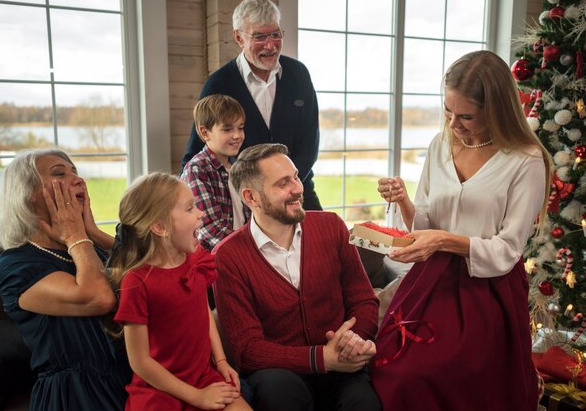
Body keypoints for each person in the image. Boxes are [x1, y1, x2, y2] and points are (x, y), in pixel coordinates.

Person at [370, 50, 553, 411]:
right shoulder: (440, 146)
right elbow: (424, 223)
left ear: (496, 109)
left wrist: (443, 240)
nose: (453, 124)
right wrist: (404, 199)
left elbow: (508, 248)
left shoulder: (526, 160)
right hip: (429, 283)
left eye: (466, 116)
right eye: (448, 111)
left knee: (454, 384)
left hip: (487, 292)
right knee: (393, 372)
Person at [213, 143, 382, 411]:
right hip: (279, 373)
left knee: (364, 403)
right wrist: (321, 359)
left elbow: (364, 300)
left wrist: (353, 343)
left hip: (342, 366)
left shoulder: (332, 227)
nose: (298, 188)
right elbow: (247, 349)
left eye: (295, 177)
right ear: (251, 197)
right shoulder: (228, 256)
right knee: (281, 394)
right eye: (283, 183)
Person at [0, 149, 131, 411]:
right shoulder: (15, 263)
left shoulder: (90, 248)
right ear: (29, 194)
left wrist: (94, 233)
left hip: (133, 380)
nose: (78, 180)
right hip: (78, 394)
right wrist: (76, 236)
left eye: (76, 172)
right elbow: (99, 297)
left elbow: (154, 276)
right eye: (60, 173)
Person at [108, 172, 252, 411]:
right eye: (189, 209)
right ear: (160, 226)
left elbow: (202, 312)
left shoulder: (195, 260)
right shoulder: (137, 282)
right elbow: (140, 362)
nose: (200, 213)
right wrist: (196, 397)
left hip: (204, 376)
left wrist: (222, 361)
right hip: (160, 390)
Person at [181, 0, 322, 211]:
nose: (270, 45)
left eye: (275, 34)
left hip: (298, 187)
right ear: (239, 38)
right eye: (259, 37)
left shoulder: (299, 74)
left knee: (322, 241)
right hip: (245, 198)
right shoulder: (219, 83)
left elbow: (309, 142)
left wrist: (286, 186)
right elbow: (197, 150)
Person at [180, 94, 251, 251]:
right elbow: (209, 228)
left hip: (242, 250)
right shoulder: (197, 169)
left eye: (240, 128)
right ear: (205, 133)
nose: (237, 135)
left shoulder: (240, 168)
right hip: (213, 258)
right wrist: (247, 250)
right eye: (227, 129)